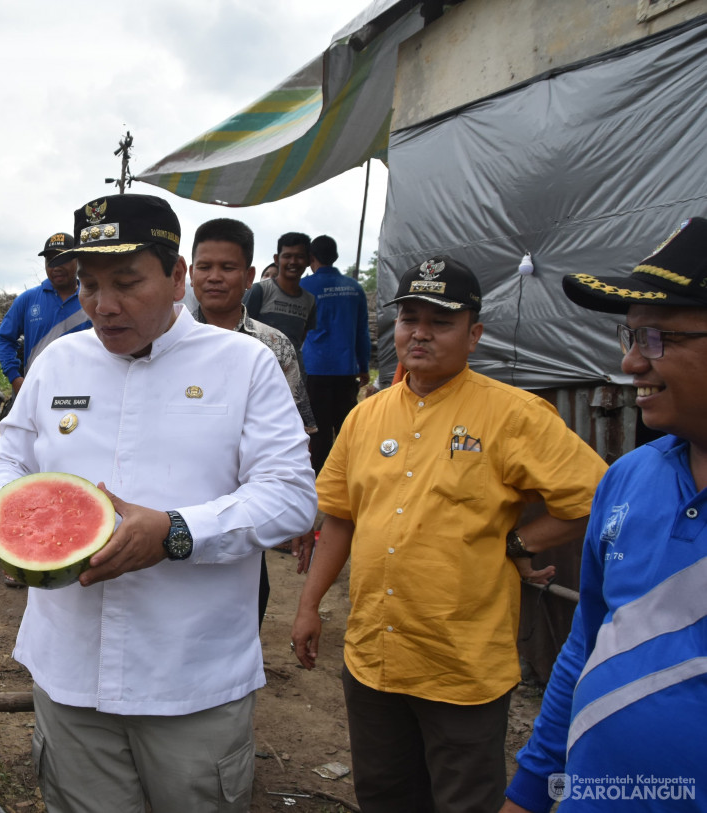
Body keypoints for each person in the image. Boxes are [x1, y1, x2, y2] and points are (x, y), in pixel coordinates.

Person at [0, 194, 315, 813]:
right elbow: (8, 458)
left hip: (190, 679)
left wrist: (176, 532)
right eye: (89, 285)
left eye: (127, 282)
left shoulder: (245, 365)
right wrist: (12, 517)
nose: (104, 306)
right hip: (69, 670)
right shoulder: (58, 360)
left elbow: (291, 497)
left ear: (177, 276)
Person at [290, 256, 607, 813]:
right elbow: (340, 516)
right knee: (385, 794)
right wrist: (309, 605)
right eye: (409, 318)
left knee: (464, 799)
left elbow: (592, 496)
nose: (420, 333)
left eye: (440, 321)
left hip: (461, 663)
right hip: (374, 654)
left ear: (474, 334)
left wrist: (519, 543)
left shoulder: (514, 415)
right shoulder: (366, 416)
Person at [503, 217, 707, 812]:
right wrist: (531, 790)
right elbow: (590, 644)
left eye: (657, 339)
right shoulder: (628, 478)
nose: (632, 364)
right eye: (630, 337)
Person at [189, 217, 318, 627]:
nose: (214, 277)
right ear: (188, 272)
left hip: (245, 504)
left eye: (227, 268)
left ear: (248, 277)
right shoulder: (162, 341)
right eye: (204, 267)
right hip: (176, 494)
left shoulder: (273, 345)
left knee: (242, 600)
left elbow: (299, 432)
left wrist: (297, 502)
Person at [298, 235, 371, 473]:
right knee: (346, 428)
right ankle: (348, 477)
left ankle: (319, 481)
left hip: (314, 368)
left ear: (311, 258)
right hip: (345, 368)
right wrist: (364, 366)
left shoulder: (304, 287)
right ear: (336, 256)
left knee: (317, 431)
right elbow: (362, 332)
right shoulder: (354, 288)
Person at [0, 232, 90, 394]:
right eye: (50, 260)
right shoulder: (28, 300)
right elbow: (4, 338)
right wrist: (15, 377)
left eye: (63, 259)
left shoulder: (92, 299)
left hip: (82, 390)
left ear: (77, 260)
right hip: (36, 391)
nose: (56, 266)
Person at [244, 232, 317, 371]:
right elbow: (240, 330)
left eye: (300, 257)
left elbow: (301, 338)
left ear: (309, 260)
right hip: (257, 370)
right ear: (277, 259)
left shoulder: (309, 300)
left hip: (291, 374)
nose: (293, 262)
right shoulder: (260, 290)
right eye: (287, 256)